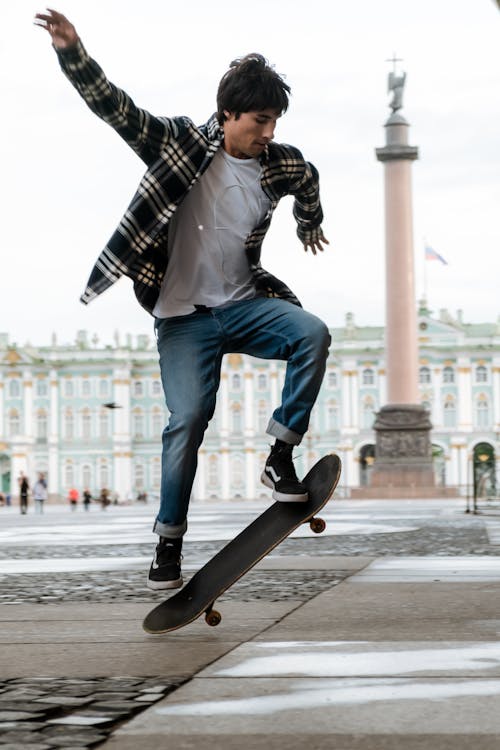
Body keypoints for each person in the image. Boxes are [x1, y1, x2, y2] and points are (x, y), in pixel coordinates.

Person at [35, 9, 331, 592]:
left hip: (245, 305)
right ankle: (168, 544)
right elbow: (113, 107)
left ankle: (280, 456)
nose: (268, 133)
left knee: (312, 333)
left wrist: (307, 223)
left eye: (275, 121)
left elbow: (310, 178)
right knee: (188, 419)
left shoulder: (279, 164)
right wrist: (73, 52)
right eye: (260, 120)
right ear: (228, 114)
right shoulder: (176, 144)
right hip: (183, 319)